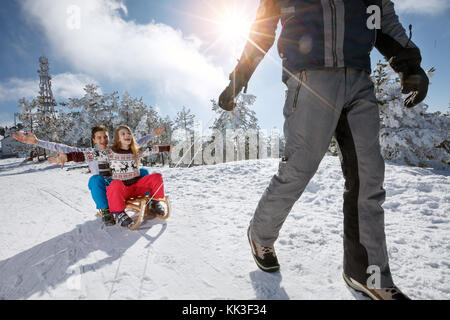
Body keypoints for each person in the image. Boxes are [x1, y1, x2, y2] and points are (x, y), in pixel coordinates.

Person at [218, 0, 429, 300]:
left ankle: (366, 271)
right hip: (309, 78)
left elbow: (383, 22)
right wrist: (238, 78)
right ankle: (261, 233)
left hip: (358, 80)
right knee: (298, 168)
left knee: (368, 176)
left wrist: (410, 64)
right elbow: (261, 32)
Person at [12, 125, 164, 226]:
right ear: (94, 140)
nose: (103, 140)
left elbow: (136, 144)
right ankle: (106, 210)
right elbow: (59, 147)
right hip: (106, 188)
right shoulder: (88, 153)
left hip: (123, 186)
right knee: (95, 180)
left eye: (105, 137)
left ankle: (152, 202)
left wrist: (152, 135)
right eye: (99, 138)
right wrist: (37, 142)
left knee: (142, 172)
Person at [58, 125, 172, 228]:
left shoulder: (135, 150)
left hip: (135, 186)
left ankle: (154, 202)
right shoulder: (110, 152)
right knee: (110, 183)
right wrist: (67, 157)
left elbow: (152, 149)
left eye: (129, 133)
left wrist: (167, 148)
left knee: (156, 176)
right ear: (118, 139)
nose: (127, 135)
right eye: (123, 134)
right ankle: (115, 212)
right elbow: (86, 155)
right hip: (119, 187)